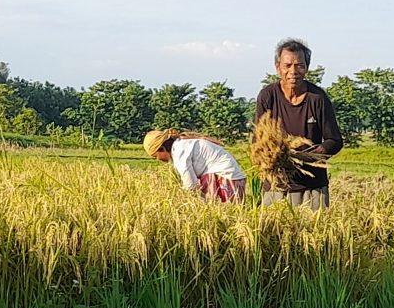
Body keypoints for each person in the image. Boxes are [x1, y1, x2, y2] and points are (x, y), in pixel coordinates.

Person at [255, 39, 343, 209]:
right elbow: (258, 140)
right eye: (287, 65)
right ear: (277, 67)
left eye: (299, 65)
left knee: (313, 234)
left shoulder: (317, 98)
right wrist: (273, 156)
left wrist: (314, 154)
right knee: (275, 234)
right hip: (276, 187)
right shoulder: (268, 96)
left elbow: (335, 140)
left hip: (312, 188)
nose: (293, 71)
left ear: (307, 68)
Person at [143, 129, 247, 202]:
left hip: (225, 178)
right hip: (232, 178)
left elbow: (191, 185)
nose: (158, 160)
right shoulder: (182, 145)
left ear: (162, 149)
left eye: (155, 156)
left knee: (220, 213)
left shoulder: (180, 151)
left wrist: (178, 200)